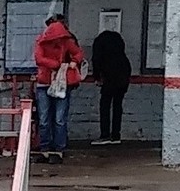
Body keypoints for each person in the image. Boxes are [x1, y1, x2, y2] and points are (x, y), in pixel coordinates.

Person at [32, 13, 85, 163]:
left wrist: (74, 61)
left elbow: (78, 53)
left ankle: (56, 150)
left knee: (53, 118)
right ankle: (48, 149)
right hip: (51, 83)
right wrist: (60, 64)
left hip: (53, 82)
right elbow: (38, 58)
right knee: (50, 118)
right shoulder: (59, 41)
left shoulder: (59, 41)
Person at [90, 27, 132, 145]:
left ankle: (105, 135)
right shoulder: (119, 48)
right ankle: (116, 135)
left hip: (109, 76)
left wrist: (97, 77)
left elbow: (96, 60)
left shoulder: (100, 43)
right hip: (123, 75)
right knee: (117, 105)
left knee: (105, 105)